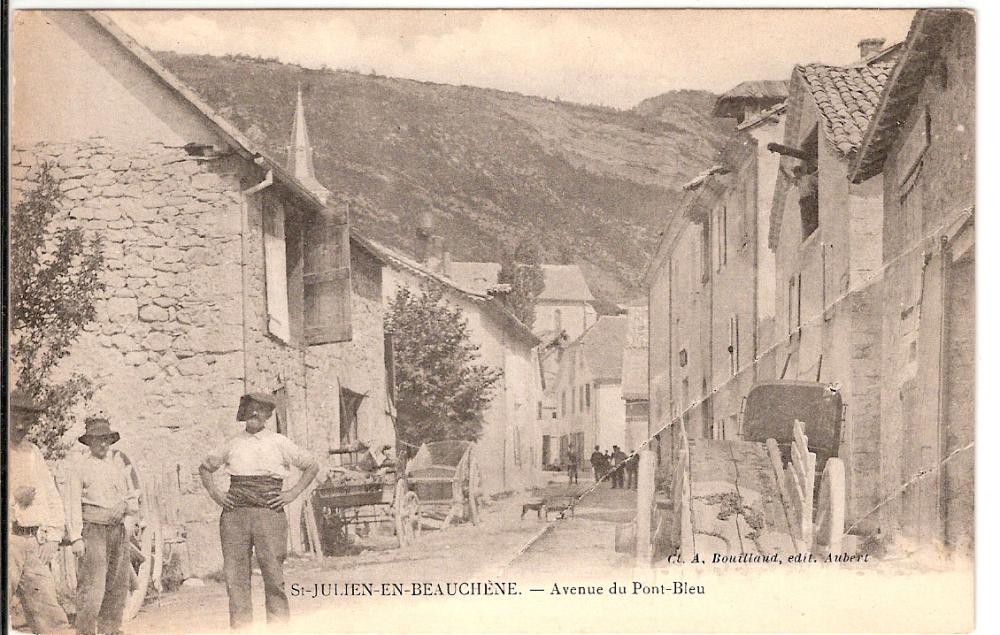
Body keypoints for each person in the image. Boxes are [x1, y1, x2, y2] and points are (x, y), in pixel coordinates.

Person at [200, 392, 319, 629]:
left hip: (269, 513)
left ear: (268, 415)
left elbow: (311, 465)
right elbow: (205, 468)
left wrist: (291, 494)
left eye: (261, 410)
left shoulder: (279, 442)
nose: (255, 414)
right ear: (244, 413)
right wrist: (217, 495)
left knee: (273, 575)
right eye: (251, 410)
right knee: (235, 577)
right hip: (235, 515)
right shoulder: (233, 443)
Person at [68, 416, 139, 635]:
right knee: (93, 587)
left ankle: (110, 629)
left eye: (106, 439)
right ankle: (86, 631)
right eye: (98, 439)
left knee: (117, 584)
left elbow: (130, 499)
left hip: (118, 531)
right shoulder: (79, 468)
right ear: (88, 441)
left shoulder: (115, 466)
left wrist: (125, 508)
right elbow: (71, 503)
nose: (103, 444)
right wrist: (76, 538)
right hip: (94, 530)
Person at [8, 390, 71, 634]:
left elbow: (52, 497)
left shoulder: (33, 452)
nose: (21, 426)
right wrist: (14, 498)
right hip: (8, 542)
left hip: (33, 544)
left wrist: (53, 537)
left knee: (51, 616)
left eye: (27, 420)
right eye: (15, 419)